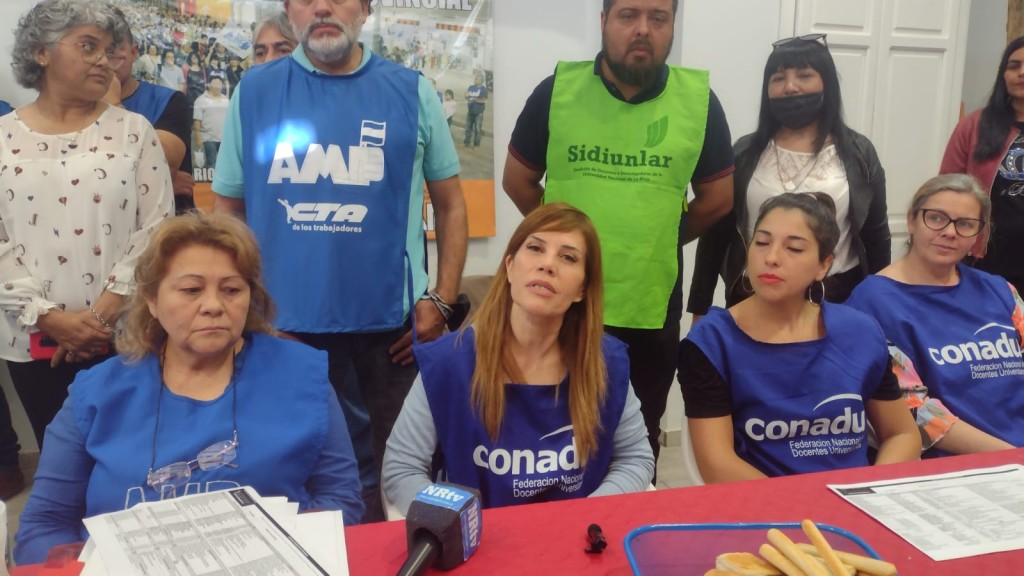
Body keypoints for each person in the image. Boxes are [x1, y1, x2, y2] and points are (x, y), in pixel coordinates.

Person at [212, 0, 468, 522]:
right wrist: (246, 309)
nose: (324, 6)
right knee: (294, 470)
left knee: (400, 472)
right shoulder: (254, 92)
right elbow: (228, 212)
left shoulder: (411, 89)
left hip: (393, 330)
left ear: (366, 8)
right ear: (291, 10)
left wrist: (441, 300)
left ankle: (395, 553)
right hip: (284, 328)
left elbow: (451, 205)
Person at [13, 212, 365, 565]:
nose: (213, 306)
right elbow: (43, 527)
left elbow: (340, 501)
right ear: (152, 300)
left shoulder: (302, 376)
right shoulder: (97, 393)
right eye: (192, 289)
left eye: (231, 289)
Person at [503, 0, 734, 467]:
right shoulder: (557, 92)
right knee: (545, 436)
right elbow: (518, 181)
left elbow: (718, 198)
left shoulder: (699, 103)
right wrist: (562, 246)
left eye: (658, 18)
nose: (643, 29)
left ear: (672, 26)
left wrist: (660, 234)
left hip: (648, 307)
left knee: (635, 441)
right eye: (628, 15)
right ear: (604, 21)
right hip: (560, 303)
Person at [383, 203, 654, 512]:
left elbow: (636, 459)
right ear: (510, 267)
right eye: (535, 248)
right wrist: (459, 522)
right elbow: (401, 469)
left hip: (579, 534)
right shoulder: (447, 363)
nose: (548, 264)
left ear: (582, 289)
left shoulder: (606, 362)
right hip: (477, 536)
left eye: (568, 257)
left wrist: (585, 516)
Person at [0, 0, 173, 447]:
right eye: (88, 46)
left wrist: (99, 316)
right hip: (32, 338)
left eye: (110, 50)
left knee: (131, 459)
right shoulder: (2, 137)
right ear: (41, 52)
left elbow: (157, 229)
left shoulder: (135, 131)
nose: (105, 60)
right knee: (58, 459)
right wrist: (48, 317)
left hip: (125, 335)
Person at [680, 193, 920, 483]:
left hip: (854, 497)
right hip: (765, 503)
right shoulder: (712, 342)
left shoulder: (860, 332)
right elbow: (717, 465)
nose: (771, 258)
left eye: (793, 248)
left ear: (823, 265)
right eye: (761, 242)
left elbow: (902, 434)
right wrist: (807, 504)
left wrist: (868, 490)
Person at [689, 34, 889, 318]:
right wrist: (699, 309)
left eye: (804, 76)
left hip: (838, 303)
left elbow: (876, 236)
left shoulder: (859, 153)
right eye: (779, 78)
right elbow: (715, 237)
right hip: (754, 298)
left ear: (827, 84)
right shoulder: (745, 153)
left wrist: (882, 308)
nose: (790, 87)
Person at [846, 174, 1024, 453]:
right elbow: (914, 412)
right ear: (912, 221)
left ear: (979, 233)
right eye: (937, 218)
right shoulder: (871, 303)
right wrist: (1012, 458)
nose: (950, 232)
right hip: (957, 462)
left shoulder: (1000, 291)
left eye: (965, 223)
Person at [940, 36, 1024, 296]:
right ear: (1003, 75)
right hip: (985, 256)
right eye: (1014, 65)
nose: (1021, 72)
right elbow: (947, 187)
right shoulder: (975, 125)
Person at [106, 8, 195, 213]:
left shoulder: (168, 100)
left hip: (167, 226)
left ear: (134, 52)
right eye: (95, 49)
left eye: (115, 49)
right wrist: (161, 184)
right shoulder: (76, 105)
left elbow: (163, 162)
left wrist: (113, 104)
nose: (106, 61)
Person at [193, 76, 228, 170]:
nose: (217, 86)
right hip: (208, 137)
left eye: (219, 83)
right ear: (208, 85)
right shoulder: (201, 100)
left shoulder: (226, 100)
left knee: (224, 163)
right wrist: (198, 137)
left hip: (224, 138)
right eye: (214, 83)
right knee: (212, 162)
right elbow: (197, 120)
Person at [463, 71, 487, 147]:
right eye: (475, 79)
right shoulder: (471, 87)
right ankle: (466, 143)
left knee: (478, 129)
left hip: (478, 113)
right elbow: (467, 95)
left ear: (481, 81)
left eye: (476, 79)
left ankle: (476, 145)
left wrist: (475, 100)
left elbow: (484, 100)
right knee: (468, 128)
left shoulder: (483, 90)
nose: (474, 80)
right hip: (470, 111)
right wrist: (466, 95)